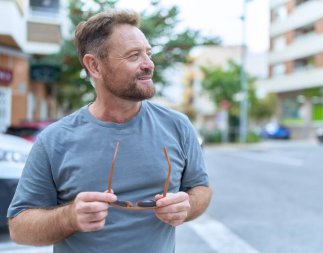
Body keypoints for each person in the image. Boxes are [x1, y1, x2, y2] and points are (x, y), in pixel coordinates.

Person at [7, 9, 211, 253]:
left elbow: (201, 189)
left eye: (148, 53)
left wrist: (187, 205)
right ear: (94, 65)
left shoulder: (178, 126)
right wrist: (69, 217)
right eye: (134, 55)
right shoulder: (54, 140)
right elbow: (19, 228)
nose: (148, 64)